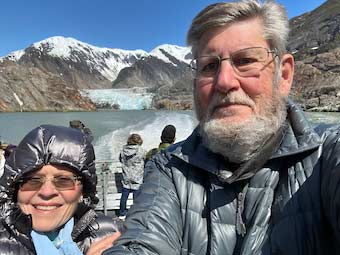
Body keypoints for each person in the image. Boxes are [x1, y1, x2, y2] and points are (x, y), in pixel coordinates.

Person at [103, 1, 340, 254]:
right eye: (209, 66)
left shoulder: (325, 156)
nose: (224, 81)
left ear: (283, 76)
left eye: (245, 60)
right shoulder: (169, 169)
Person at [0, 124, 120, 255]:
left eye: (63, 181)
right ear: (14, 189)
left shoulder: (107, 232)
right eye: (33, 181)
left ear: (83, 192)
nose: (47, 192)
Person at [118, 133, 146, 217]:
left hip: (126, 176)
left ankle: (122, 213)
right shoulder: (141, 151)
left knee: (124, 196)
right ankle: (135, 214)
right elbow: (146, 159)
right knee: (136, 197)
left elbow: (120, 159)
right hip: (137, 177)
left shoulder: (123, 150)